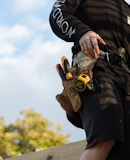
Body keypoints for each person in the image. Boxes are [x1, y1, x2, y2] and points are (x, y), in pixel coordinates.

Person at [49, 0, 130, 160]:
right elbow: (57, 12)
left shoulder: (126, 9)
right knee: (105, 132)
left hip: (125, 82)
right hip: (93, 70)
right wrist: (83, 33)